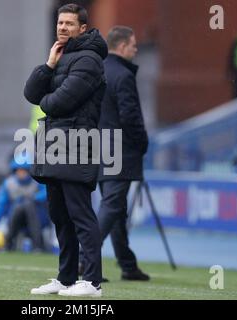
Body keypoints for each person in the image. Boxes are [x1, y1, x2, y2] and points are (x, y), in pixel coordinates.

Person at [24, 3, 107, 297]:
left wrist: (45, 100)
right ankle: (66, 277)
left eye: (69, 24)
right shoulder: (60, 56)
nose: (62, 28)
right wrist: (48, 65)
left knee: (80, 215)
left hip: (76, 144)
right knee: (60, 216)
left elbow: (57, 102)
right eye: (60, 23)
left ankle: (93, 282)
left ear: (82, 28)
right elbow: (31, 93)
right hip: (55, 145)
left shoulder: (90, 59)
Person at [79, 26, 150, 281]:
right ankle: (84, 260)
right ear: (121, 47)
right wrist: (143, 142)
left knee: (116, 208)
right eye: (133, 45)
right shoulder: (123, 75)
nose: (136, 49)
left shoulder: (99, 71)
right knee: (112, 207)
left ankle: (127, 265)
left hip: (100, 148)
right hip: (120, 151)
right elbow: (130, 116)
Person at [0, 155, 49, 252]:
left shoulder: (38, 181)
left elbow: (47, 194)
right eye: (19, 170)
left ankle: (33, 245)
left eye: (24, 171)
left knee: (28, 204)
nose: (21, 173)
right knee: (20, 206)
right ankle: (14, 242)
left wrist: (33, 198)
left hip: (38, 218)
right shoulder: (9, 184)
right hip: (15, 220)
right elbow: (0, 209)